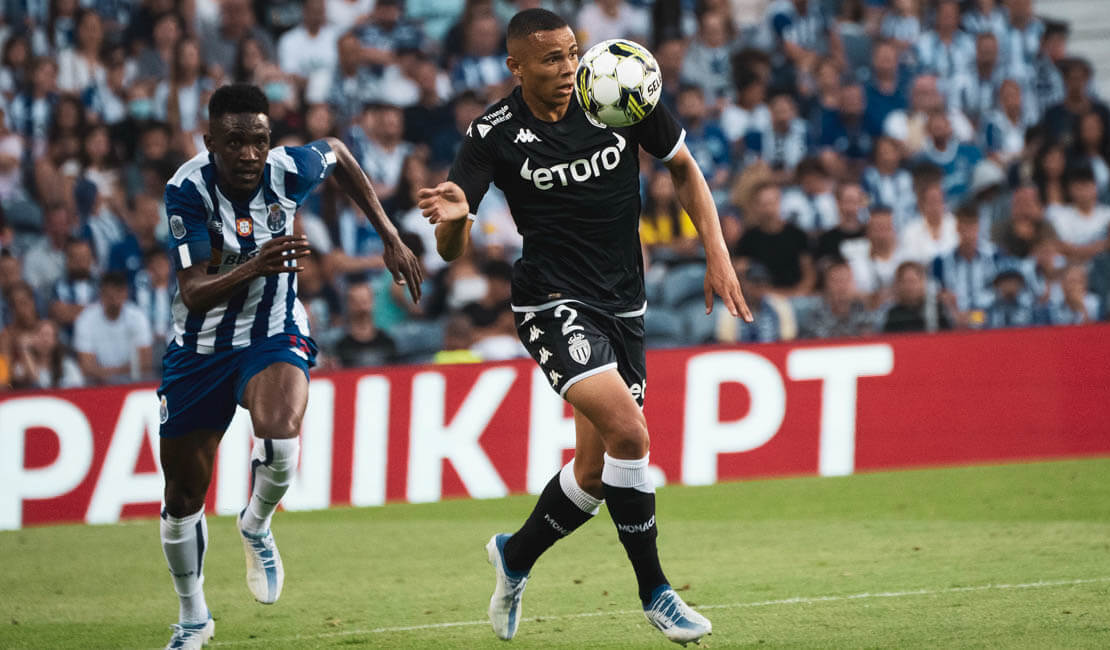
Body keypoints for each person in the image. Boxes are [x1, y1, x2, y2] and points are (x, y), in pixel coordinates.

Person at [416, 9, 750, 645]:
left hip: (624, 303)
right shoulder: (492, 133)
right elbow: (451, 248)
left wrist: (717, 253)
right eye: (551, 59)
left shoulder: (615, 89)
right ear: (516, 67)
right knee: (631, 433)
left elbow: (683, 167)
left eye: (571, 53)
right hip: (551, 302)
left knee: (594, 477)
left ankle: (513, 555)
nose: (569, 67)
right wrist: (456, 221)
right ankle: (656, 592)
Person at [156, 84, 422, 649]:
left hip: (272, 332)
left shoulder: (288, 169)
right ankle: (193, 617)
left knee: (279, 436)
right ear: (210, 142)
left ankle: (255, 522)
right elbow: (194, 291)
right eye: (234, 142)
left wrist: (389, 234)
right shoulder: (187, 189)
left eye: (259, 140)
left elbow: (339, 153)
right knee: (181, 498)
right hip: (199, 350)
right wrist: (254, 266)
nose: (249, 154)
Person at [73, 270, 153, 384]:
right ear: (101, 294)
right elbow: (86, 367)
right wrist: (122, 371)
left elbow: (145, 363)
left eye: (118, 293)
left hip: (132, 383)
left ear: (126, 293)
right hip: (97, 385)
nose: (114, 300)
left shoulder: (138, 317)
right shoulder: (86, 319)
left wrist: (107, 373)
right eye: (109, 295)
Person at [881, 260, 952, 333]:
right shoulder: (893, 315)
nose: (909, 287)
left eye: (913, 281)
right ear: (898, 284)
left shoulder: (937, 310)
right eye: (904, 281)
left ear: (922, 282)